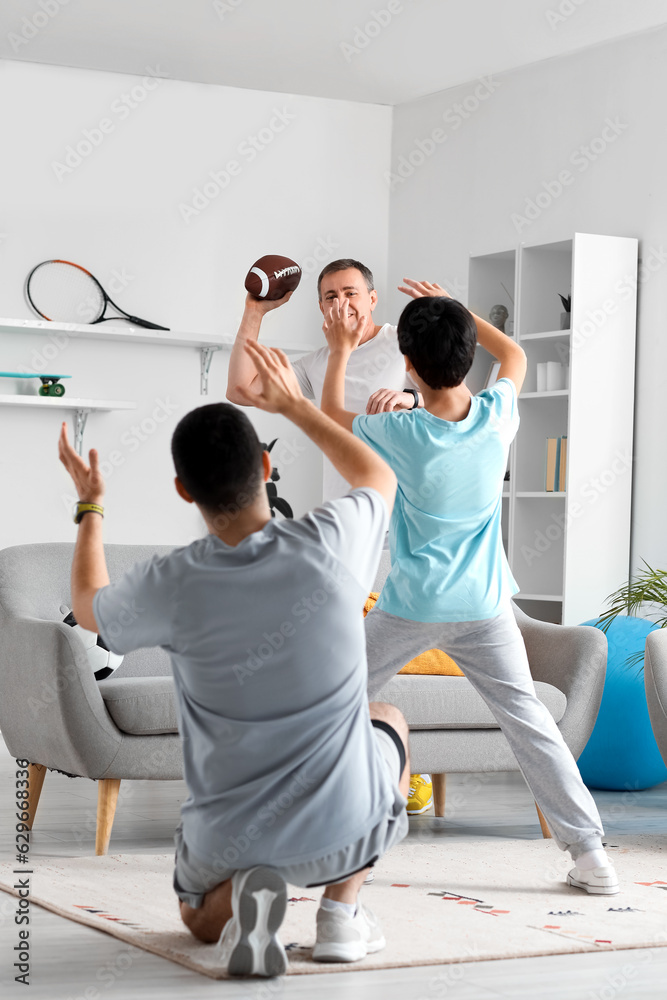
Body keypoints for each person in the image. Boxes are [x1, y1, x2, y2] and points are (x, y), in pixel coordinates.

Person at [57, 339, 410, 978]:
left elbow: (87, 606)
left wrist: (91, 505)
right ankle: (340, 916)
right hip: (345, 828)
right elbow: (378, 476)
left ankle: (247, 898)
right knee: (388, 716)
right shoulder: (331, 542)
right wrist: (298, 407)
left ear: (182, 489)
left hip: (233, 840)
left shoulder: (173, 583)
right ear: (268, 472)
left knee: (195, 918)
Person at [319, 278, 619, 897]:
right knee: (529, 722)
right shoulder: (494, 417)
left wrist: (344, 349)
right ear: (466, 355)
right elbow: (515, 357)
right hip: (485, 607)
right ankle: (591, 856)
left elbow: (327, 415)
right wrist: (462, 312)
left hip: (412, 607)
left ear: (407, 363)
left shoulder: (401, 432)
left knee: (330, 700)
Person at [227, 258, 433, 817]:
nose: (339, 304)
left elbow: (448, 401)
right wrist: (254, 312)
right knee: (335, 650)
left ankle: (393, 763)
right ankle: (374, 764)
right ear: (319, 309)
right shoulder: (320, 363)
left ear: (371, 300)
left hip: (404, 522)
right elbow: (241, 387)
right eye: (327, 297)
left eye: (349, 293)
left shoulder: (403, 345)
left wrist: (411, 399)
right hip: (345, 527)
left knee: (389, 649)